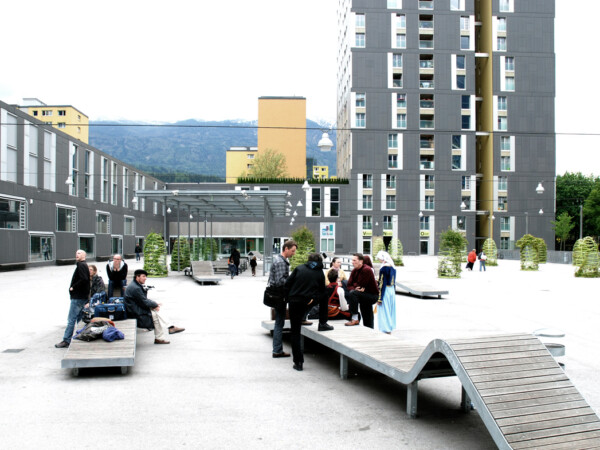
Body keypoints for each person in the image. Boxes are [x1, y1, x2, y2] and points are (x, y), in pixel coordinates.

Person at [284, 253, 333, 371]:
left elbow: (287, 284)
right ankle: (323, 322)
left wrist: (287, 299)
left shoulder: (299, 268)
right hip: (307, 301)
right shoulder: (319, 273)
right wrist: (314, 298)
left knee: (295, 332)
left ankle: (298, 362)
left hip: (294, 301)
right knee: (325, 295)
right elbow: (322, 291)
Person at [124, 269, 185, 344]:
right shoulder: (135, 288)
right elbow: (144, 302)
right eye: (143, 276)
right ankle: (168, 330)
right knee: (156, 313)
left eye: (145, 276)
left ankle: (164, 334)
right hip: (135, 312)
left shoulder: (135, 285)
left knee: (157, 313)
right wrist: (155, 305)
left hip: (135, 309)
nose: (145, 278)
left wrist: (154, 304)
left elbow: (143, 301)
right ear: (137, 277)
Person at [55, 250, 91, 348]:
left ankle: (66, 340)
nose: (77, 255)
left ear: (84, 255)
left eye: (79, 253)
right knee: (79, 319)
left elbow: (84, 279)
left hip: (78, 297)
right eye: (76, 253)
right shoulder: (84, 265)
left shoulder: (81, 265)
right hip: (82, 297)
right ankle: (80, 337)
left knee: (71, 319)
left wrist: (73, 287)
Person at [268, 240, 297, 359]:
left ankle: (277, 349)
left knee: (279, 322)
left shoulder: (279, 260)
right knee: (279, 323)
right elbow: (280, 281)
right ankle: (277, 350)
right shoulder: (281, 262)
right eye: (292, 251)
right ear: (286, 249)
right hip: (279, 296)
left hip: (277, 296)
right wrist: (292, 281)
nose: (293, 253)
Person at [345, 253, 380, 328]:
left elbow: (360, 284)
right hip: (363, 294)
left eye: (354, 260)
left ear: (361, 261)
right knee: (366, 311)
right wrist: (355, 287)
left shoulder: (366, 269)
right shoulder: (354, 270)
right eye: (352, 260)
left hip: (372, 295)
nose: (352, 262)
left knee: (353, 293)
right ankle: (369, 328)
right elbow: (349, 285)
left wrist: (354, 286)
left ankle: (355, 318)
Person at [375, 250, 397, 334]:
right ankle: (390, 326)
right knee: (390, 309)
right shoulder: (393, 267)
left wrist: (379, 298)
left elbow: (382, 284)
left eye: (379, 258)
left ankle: (385, 328)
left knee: (384, 310)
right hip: (391, 290)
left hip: (386, 291)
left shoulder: (384, 268)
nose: (379, 260)